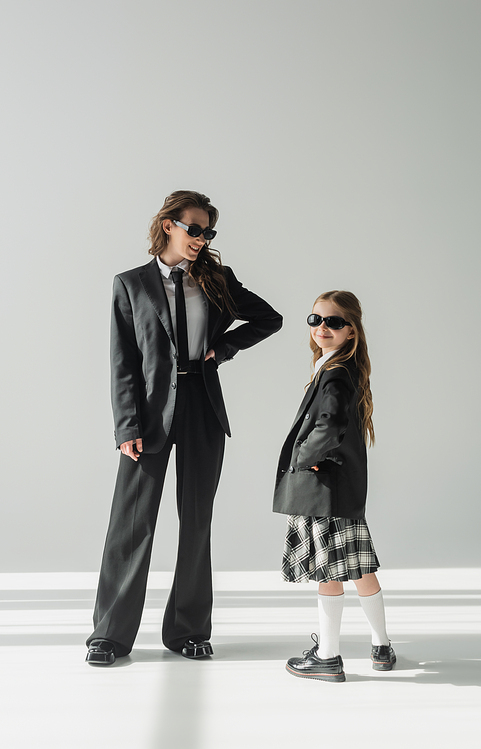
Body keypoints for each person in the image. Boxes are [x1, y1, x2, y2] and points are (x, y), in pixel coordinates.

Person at [86, 190, 282, 665]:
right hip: (149, 414)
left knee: (196, 521)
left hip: (201, 406)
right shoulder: (130, 284)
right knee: (131, 525)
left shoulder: (216, 280)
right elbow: (123, 363)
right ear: (169, 224)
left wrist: (225, 348)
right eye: (194, 228)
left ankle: (189, 631)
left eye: (208, 231)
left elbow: (268, 318)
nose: (201, 238)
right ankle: (109, 635)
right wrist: (126, 425)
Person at [273, 290, 395, 682]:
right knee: (359, 568)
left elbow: (331, 425)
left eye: (334, 322)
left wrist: (302, 457)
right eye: (315, 320)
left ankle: (327, 656)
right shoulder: (337, 369)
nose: (322, 328)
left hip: (325, 488)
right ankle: (381, 647)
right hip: (341, 488)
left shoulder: (335, 374)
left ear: (351, 332)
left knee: (329, 573)